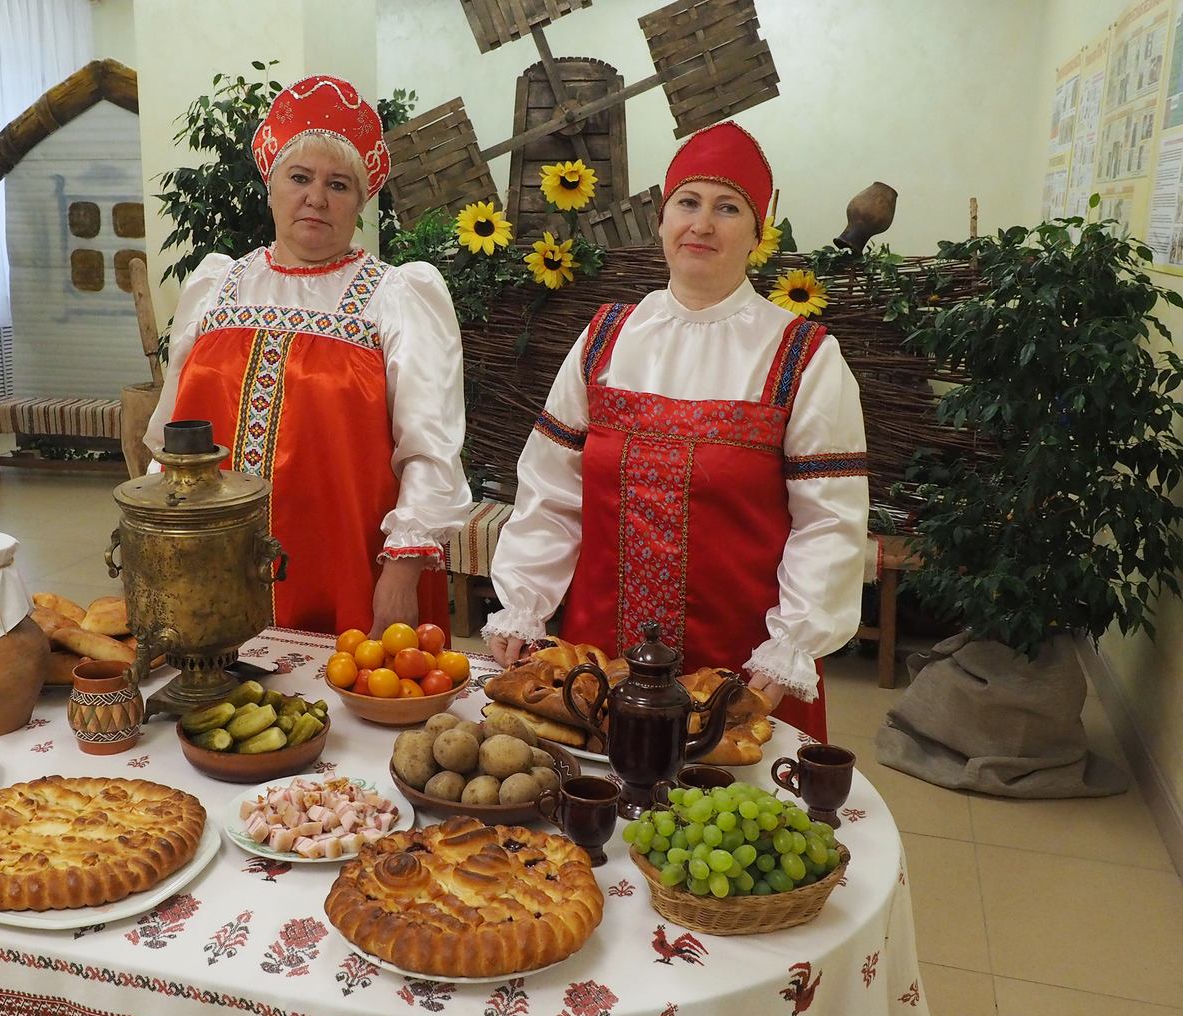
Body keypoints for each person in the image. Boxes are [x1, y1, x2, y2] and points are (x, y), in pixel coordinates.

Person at [483, 121, 869, 743]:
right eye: (687, 203)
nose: (703, 224)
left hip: (737, 675)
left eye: (727, 208)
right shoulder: (605, 338)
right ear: (662, 221)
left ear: (757, 232)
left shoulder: (803, 356)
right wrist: (524, 602)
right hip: (595, 670)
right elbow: (551, 489)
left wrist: (792, 642)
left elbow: (829, 521)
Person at [145, 74, 472, 638]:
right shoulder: (215, 287)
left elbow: (430, 452)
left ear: (361, 203)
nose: (316, 198)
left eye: (339, 185)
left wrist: (399, 575)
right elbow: (174, 437)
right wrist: (150, 536)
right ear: (271, 188)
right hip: (210, 566)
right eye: (300, 178)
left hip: (350, 566)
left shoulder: (397, 298)